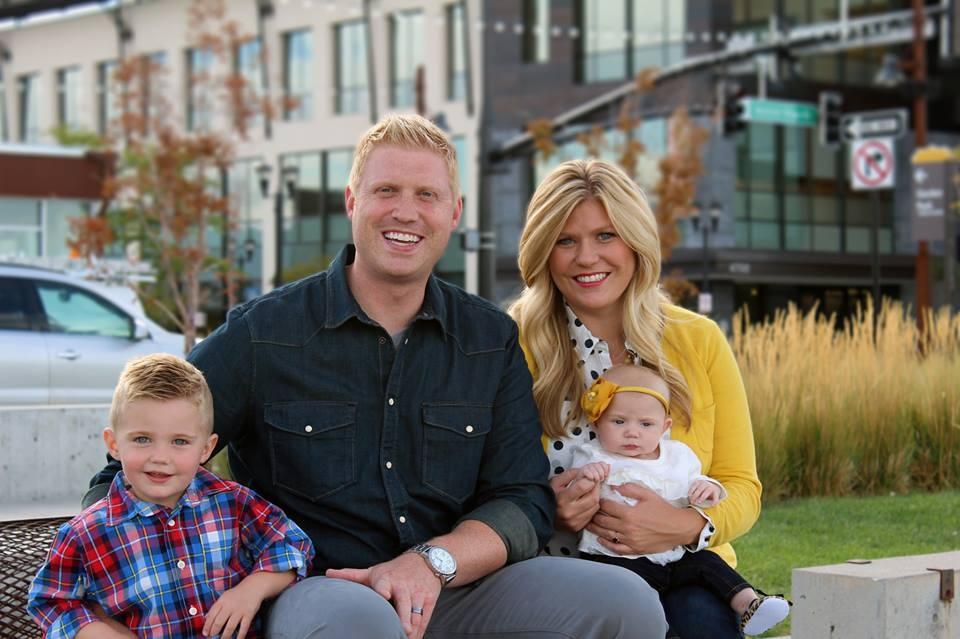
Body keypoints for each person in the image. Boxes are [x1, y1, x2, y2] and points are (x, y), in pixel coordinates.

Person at [84, 115, 667, 639]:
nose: (405, 212)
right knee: (358, 625)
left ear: (454, 212)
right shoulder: (264, 334)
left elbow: (521, 499)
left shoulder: (489, 338)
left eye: (426, 195)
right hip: (320, 590)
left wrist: (431, 564)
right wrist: (114, 602)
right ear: (352, 201)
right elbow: (127, 470)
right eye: (386, 190)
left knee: (625, 604)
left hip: (453, 583)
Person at [509, 158, 764, 638]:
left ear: (636, 240)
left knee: (702, 625)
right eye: (565, 240)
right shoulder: (509, 344)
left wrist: (684, 524)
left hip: (684, 567)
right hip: (556, 570)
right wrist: (545, 510)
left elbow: (741, 485)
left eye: (606, 235)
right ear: (543, 250)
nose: (587, 257)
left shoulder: (699, 340)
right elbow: (478, 488)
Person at [30, 354, 314, 639]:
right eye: (142, 439)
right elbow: (51, 602)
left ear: (206, 449)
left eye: (179, 441)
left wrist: (250, 590)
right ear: (114, 444)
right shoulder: (86, 533)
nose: (160, 457)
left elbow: (291, 544)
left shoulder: (233, 503)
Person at [572, 364, 789, 636]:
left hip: (674, 554)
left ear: (665, 427)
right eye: (619, 422)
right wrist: (586, 477)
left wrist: (708, 488)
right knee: (631, 598)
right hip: (618, 558)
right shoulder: (594, 456)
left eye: (645, 424)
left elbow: (698, 484)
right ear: (596, 422)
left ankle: (749, 603)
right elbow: (573, 492)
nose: (632, 432)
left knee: (707, 563)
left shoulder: (677, 457)